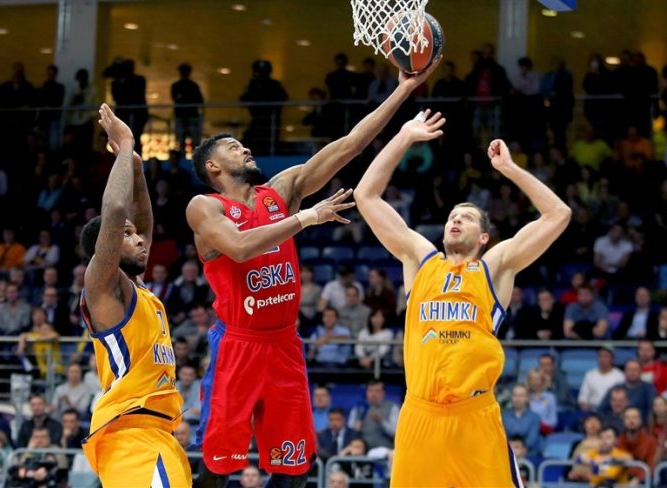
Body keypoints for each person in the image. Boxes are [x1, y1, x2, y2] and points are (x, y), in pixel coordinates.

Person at [188, 61, 438, 487]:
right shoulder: (205, 207)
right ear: (213, 167)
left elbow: (349, 145)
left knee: (296, 468)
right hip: (238, 345)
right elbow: (241, 247)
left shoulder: (280, 191)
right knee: (218, 466)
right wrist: (307, 218)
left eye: (242, 145)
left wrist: (403, 89)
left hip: (285, 343)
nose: (245, 149)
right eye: (232, 147)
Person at [353, 109, 571, 486]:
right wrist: (404, 136)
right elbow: (366, 196)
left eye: (466, 217)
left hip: (474, 415)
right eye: (452, 216)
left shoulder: (494, 267)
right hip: (420, 414)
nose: (455, 220)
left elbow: (558, 214)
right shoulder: (420, 259)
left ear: (484, 237)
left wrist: (510, 170)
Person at [78, 104, 191, 487]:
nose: (139, 238)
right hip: (132, 436)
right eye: (126, 236)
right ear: (106, 246)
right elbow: (115, 210)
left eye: (136, 233)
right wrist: (125, 144)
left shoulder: (135, 288)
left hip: (156, 436)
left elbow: (141, 219)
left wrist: (138, 169)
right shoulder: (103, 284)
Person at [171, 62, 205, 153]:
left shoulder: (176, 86)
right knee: (192, 140)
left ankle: (184, 156)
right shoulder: (193, 86)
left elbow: (175, 98)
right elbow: (200, 101)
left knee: (183, 139)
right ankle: (193, 157)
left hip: (183, 115)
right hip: (190, 115)